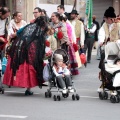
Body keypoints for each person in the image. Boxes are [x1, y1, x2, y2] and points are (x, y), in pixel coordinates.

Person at [3, 16, 48, 95]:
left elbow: (18, 33)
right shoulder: (40, 29)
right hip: (31, 48)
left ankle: (16, 82)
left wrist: (12, 37)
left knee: (20, 65)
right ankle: (28, 89)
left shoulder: (28, 26)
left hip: (19, 47)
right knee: (30, 67)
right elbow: (41, 42)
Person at [98, 7, 120, 92]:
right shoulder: (105, 25)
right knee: (103, 66)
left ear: (110, 18)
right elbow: (101, 34)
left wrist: (117, 42)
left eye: (105, 18)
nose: (104, 19)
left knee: (116, 67)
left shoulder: (118, 25)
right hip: (108, 50)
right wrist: (101, 41)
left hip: (118, 49)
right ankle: (106, 83)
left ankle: (114, 83)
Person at [0, 7, 10, 90]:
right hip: (0, 38)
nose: (7, 17)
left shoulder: (7, 20)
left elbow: (7, 29)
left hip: (3, 40)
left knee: (1, 60)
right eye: (6, 15)